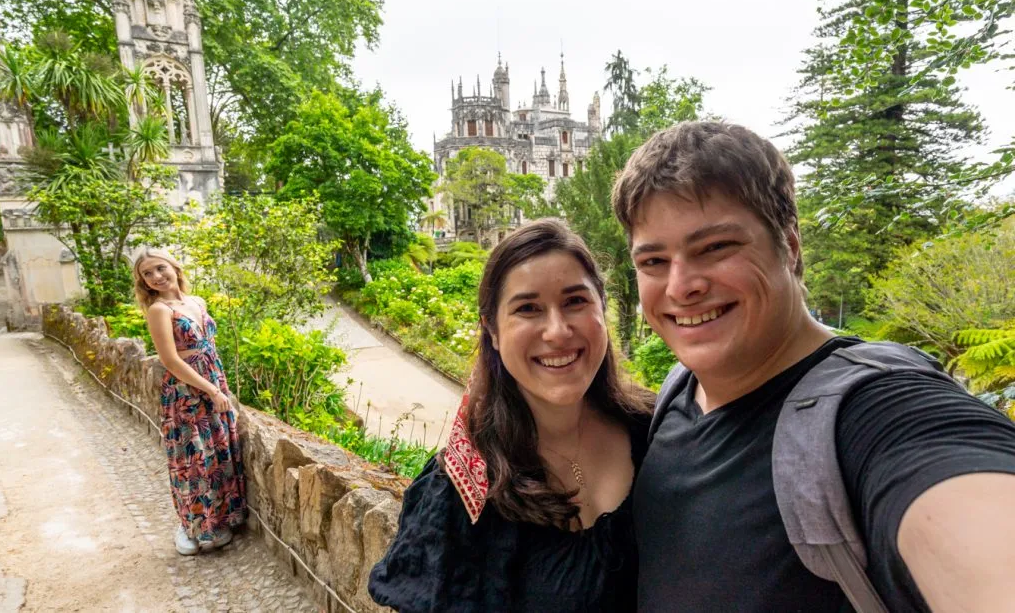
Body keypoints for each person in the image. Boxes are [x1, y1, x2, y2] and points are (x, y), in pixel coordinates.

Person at [611, 121, 1015, 612]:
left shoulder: (876, 409)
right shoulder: (678, 392)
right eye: (654, 261)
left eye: (715, 247)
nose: (680, 286)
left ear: (790, 244)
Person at [368, 219, 655, 612]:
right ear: (493, 332)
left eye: (575, 301)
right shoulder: (463, 490)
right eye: (528, 309)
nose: (557, 331)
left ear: (602, 309)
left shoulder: (655, 429)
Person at [134, 247, 247, 556]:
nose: (156, 276)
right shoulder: (159, 310)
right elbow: (170, 360)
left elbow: (207, 347)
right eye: (148, 273)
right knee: (193, 458)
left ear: (174, 267)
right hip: (186, 392)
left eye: (160, 268)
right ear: (143, 281)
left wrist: (217, 386)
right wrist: (210, 390)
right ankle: (192, 524)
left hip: (212, 380)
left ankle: (221, 517)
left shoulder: (197, 302)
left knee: (218, 451)